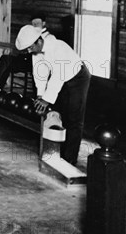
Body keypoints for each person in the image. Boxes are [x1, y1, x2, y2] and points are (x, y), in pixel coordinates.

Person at [15, 24, 91, 165]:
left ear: (38, 40)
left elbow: (58, 76)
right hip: (63, 81)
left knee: (74, 119)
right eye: (27, 49)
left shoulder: (58, 47)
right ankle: (58, 154)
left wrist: (46, 100)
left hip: (78, 78)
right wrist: (40, 95)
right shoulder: (36, 52)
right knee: (60, 116)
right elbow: (40, 73)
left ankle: (70, 160)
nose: (29, 51)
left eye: (30, 47)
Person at [0, 12, 50, 89]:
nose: (34, 25)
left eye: (37, 23)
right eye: (33, 24)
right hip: (26, 60)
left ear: (43, 23)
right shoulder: (30, 33)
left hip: (38, 64)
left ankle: (37, 95)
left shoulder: (48, 37)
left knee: (38, 69)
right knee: (6, 59)